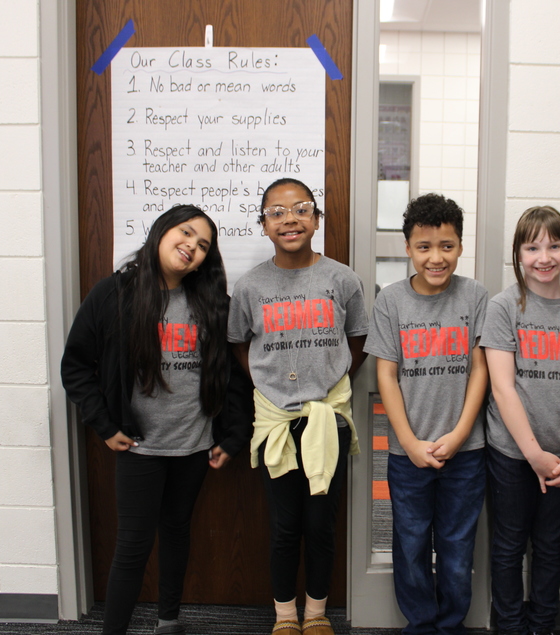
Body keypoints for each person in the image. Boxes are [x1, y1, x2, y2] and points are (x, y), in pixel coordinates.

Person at [61, 204, 252, 635]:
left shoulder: (212, 303)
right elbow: (75, 367)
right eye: (186, 234)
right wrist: (105, 427)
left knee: (177, 531)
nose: (192, 248)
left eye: (203, 245)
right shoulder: (114, 294)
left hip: (194, 445)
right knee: (132, 546)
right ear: (162, 231)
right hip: (140, 447)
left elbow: (235, 378)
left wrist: (232, 436)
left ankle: (168, 622)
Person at [228, 178, 368, 635]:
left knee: (320, 526)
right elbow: (239, 344)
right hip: (275, 420)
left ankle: (316, 614)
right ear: (264, 225)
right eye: (277, 212)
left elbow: (359, 340)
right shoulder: (250, 286)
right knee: (285, 526)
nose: (290, 218)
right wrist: (266, 383)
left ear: (317, 219)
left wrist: (330, 378)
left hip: (329, 416)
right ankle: (285, 616)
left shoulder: (342, 279)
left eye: (301, 208)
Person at [365, 194, 489, 635]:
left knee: (457, 546)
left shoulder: (475, 295)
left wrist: (458, 435)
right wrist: (410, 443)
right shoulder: (391, 301)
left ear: (459, 246)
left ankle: (451, 624)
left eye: (447, 246)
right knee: (411, 544)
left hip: (467, 451)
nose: (436, 258)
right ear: (407, 248)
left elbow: (481, 369)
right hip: (407, 454)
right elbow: (386, 377)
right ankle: (420, 624)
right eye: (424, 247)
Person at [481, 206, 560, 635]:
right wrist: (532, 454)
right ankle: (511, 627)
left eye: (554, 245)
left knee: (551, 546)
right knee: (510, 545)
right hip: (514, 454)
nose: (544, 256)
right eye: (532, 247)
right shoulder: (502, 308)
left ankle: (543, 625)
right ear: (518, 254)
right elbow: (502, 388)